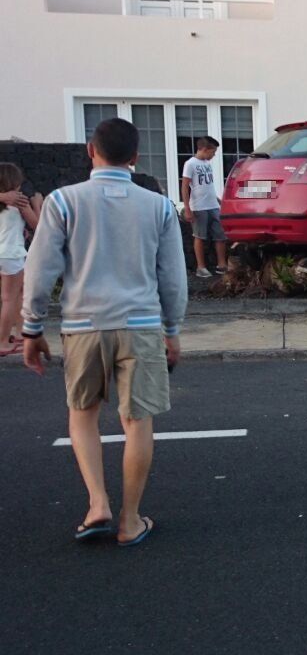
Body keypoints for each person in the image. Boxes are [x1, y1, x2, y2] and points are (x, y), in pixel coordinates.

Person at [22, 118, 187, 547]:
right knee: (138, 421)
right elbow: (172, 277)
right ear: (135, 158)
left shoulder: (62, 202)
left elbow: (40, 272)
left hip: (83, 324)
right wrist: (173, 329)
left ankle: (98, 505)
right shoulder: (158, 206)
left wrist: (31, 327)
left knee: (83, 416)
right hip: (142, 326)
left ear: (90, 151)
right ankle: (131, 521)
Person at [0, 163, 40, 354]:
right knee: (9, 298)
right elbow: (39, 227)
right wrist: (37, 204)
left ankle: (19, 333)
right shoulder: (20, 202)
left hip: (5, 252)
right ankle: (2, 342)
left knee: (18, 292)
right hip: (11, 254)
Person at [181, 136, 227, 278]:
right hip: (199, 207)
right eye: (213, 152)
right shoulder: (190, 164)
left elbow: (208, 185)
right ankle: (201, 267)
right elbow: (184, 187)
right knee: (200, 236)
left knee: (220, 235)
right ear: (205, 149)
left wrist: (218, 200)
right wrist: (187, 208)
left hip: (213, 205)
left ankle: (222, 264)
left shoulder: (207, 163)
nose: (213, 155)